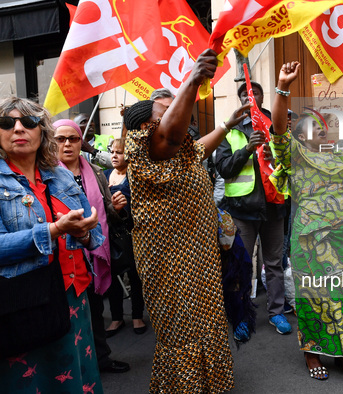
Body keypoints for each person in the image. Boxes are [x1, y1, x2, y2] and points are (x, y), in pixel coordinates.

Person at [123, 49, 250, 393]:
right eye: (168, 110)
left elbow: (200, 148)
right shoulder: (148, 148)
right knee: (183, 330)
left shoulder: (180, 151)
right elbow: (170, 137)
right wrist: (193, 79)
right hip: (170, 263)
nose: (182, 111)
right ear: (147, 126)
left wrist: (227, 124)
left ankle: (210, 385)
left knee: (207, 323)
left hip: (198, 254)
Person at [270, 61, 343, 380]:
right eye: (312, 127)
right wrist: (283, 87)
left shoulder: (342, 154)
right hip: (310, 244)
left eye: (323, 126)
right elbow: (278, 127)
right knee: (316, 298)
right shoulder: (292, 153)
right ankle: (313, 354)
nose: (320, 130)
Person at [0, 97, 104, 392]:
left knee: (77, 379)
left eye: (29, 122)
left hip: (74, 297)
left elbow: (92, 237)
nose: (18, 128)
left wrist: (83, 234)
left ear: (41, 131)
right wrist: (54, 230)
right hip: (24, 301)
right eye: (7, 123)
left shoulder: (59, 173)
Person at [53, 119, 130, 374]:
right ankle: (73, 366)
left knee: (96, 309)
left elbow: (104, 212)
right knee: (68, 313)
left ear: (80, 142)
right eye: (60, 139)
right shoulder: (46, 174)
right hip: (64, 254)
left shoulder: (96, 171)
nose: (67, 144)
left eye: (73, 139)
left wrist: (115, 208)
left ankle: (101, 359)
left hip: (94, 252)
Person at [215, 78, 292, 335]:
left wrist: (276, 158)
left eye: (255, 93)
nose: (251, 98)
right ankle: (243, 316)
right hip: (242, 211)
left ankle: (277, 313)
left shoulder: (276, 126)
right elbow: (224, 168)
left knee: (274, 264)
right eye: (247, 95)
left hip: (274, 208)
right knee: (242, 266)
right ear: (242, 101)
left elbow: (292, 163)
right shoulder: (230, 131)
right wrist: (248, 149)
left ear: (261, 97)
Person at [104, 138, 146, 335]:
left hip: (132, 232)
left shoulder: (134, 176)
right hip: (108, 234)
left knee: (135, 276)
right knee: (112, 277)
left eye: (119, 152)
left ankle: (137, 316)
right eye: (112, 152)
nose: (114, 155)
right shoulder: (102, 175)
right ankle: (116, 318)